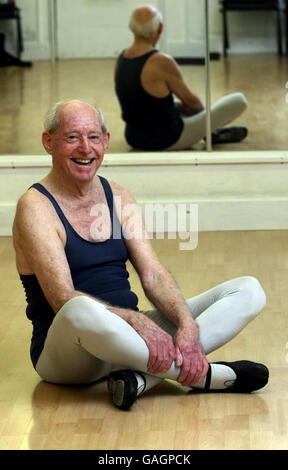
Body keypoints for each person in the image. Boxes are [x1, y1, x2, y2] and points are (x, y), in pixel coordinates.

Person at [12, 99, 268, 411]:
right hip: (70, 354)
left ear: (106, 142)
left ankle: (139, 380)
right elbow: (61, 298)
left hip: (129, 343)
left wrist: (187, 325)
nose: (85, 148)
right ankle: (211, 377)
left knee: (249, 290)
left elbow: (153, 274)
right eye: (72, 137)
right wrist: (138, 322)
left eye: (93, 137)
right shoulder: (35, 207)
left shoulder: (118, 195)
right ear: (48, 142)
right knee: (78, 308)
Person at [115, 5, 248, 151]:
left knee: (177, 104)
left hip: (134, 137)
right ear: (159, 28)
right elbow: (192, 103)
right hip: (166, 139)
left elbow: (139, 101)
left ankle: (209, 132)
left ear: (131, 27)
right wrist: (205, 120)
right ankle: (211, 133)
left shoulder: (122, 58)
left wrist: (179, 107)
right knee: (239, 100)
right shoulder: (161, 61)